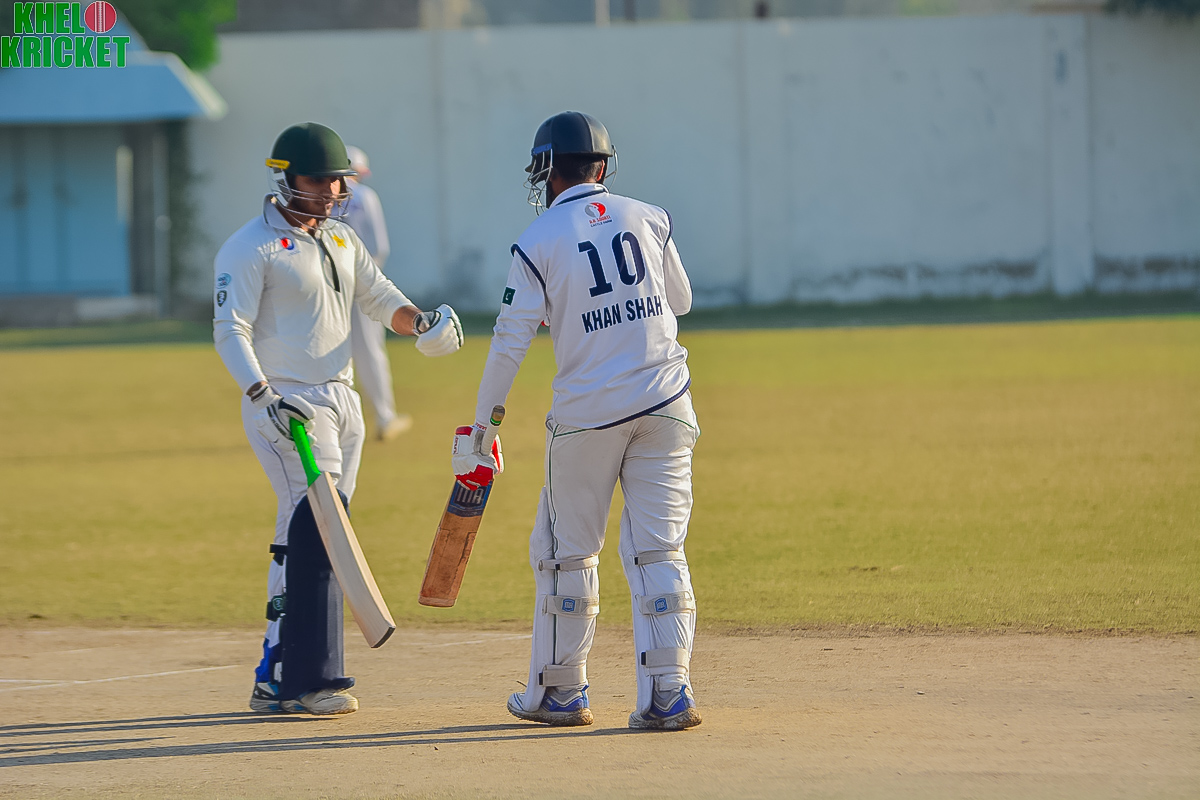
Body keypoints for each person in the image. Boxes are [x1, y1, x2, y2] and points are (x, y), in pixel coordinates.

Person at [452, 111, 702, 731]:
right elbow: (681, 301)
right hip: (667, 403)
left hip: (588, 416)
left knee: (566, 553)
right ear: (604, 166)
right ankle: (668, 694)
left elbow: (510, 339)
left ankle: (561, 693)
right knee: (659, 549)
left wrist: (483, 427)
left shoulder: (537, 240)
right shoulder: (650, 217)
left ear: (547, 170)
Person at [213, 122, 464, 715]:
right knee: (320, 530)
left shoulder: (343, 239)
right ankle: (310, 678)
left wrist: (421, 323)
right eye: (319, 180)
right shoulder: (249, 247)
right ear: (286, 179)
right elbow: (230, 329)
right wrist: (263, 396)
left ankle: (275, 671)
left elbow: (380, 299)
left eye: (338, 180)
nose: (332, 191)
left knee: (309, 530)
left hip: (343, 400)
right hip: (287, 403)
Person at [343, 145, 411, 441]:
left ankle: (337, 421)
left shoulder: (321, 198)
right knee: (370, 351)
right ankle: (385, 417)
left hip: (328, 287)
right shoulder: (364, 196)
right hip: (363, 286)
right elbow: (379, 247)